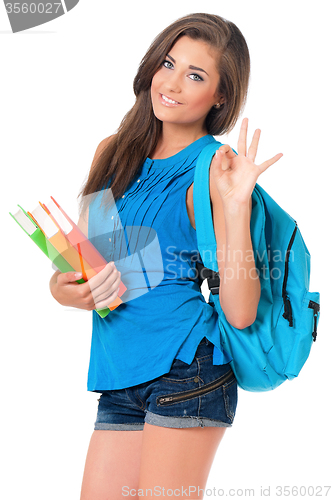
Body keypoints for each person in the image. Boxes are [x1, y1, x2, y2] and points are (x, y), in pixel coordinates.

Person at [49, 13, 282, 500]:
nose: (172, 84)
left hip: (188, 366)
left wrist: (236, 207)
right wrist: (65, 291)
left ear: (220, 95)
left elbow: (239, 313)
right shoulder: (111, 152)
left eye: (195, 75)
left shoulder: (214, 167)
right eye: (169, 64)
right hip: (118, 372)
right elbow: (97, 264)